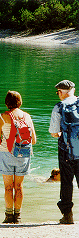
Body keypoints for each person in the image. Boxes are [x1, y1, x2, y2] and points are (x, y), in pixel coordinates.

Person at [0, 91, 36, 223]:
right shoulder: (27, 116)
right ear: (20, 101)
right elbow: (33, 140)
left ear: (7, 102)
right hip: (23, 154)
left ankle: (8, 216)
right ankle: (17, 216)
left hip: (6, 153)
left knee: (8, 186)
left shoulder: (2, 117)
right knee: (19, 186)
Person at [49, 80, 79, 224]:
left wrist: (62, 134)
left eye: (58, 92)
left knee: (66, 183)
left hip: (66, 151)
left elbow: (54, 132)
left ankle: (67, 216)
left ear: (61, 92)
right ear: (73, 90)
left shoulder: (59, 107)